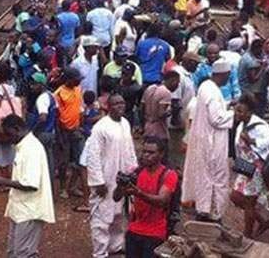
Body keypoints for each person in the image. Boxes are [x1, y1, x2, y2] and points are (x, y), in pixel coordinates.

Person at [0, 114, 55, 258]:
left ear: (17, 129)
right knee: (14, 252)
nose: (8, 139)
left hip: (30, 211)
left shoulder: (31, 149)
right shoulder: (23, 146)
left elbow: (31, 184)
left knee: (24, 254)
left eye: (8, 134)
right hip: (20, 209)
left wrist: (2, 181)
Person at [85, 94, 138, 258]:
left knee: (119, 213)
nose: (120, 106)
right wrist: (98, 182)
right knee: (101, 216)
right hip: (106, 179)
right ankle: (100, 251)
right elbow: (92, 155)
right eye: (116, 103)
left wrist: (133, 171)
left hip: (122, 179)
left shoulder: (126, 123)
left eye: (122, 102)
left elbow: (129, 149)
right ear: (108, 106)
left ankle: (115, 246)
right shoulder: (101, 127)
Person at [181, 59, 235, 222]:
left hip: (204, 139)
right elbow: (216, 118)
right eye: (227, 75)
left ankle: (204, 208)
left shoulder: (206, 87)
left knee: (205, 175)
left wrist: (227, 104)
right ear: (222, 74)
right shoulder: (211, 91)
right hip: (212, 142)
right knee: (215, 177)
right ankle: (212, 212)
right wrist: (234, 113)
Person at [114, 137, 179, 257]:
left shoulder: (168, 175)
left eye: (151, 152)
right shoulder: (137, 173)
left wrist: (138, 193)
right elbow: (116, 197)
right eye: (144, 151)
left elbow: (162, 201)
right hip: (134, 229)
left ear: (161, 154)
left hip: (156, 233)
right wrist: (120, 186)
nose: (146, 155)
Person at [230, 93, 269, 238]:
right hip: (245, 167)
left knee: (249, 203)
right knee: (236, 197)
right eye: (236, 110)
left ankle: (247, 236)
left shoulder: (259, 126)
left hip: (256, 169)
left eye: (240, 111)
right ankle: (263, 222)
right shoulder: (242, 123)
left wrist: (253, 142)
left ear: (250, 112)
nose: (237, 114)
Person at [54, 67, 85, 199]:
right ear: (69, 80)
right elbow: (56, 116)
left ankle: (72, 186)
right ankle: (62, 188)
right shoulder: (59, 94)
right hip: (64, 132)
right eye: (77, 79)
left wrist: (80, 125)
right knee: (63, 162)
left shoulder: (78, 90)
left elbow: (79, 108)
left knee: (81, 160)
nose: (79, 81)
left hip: (76, 130)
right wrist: (60, 136)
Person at [142, 70, 181, 166]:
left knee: (147, 158)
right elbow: (160, 113)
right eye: (177, 83)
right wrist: (173, 111)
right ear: (173, 81)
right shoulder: (166, 93)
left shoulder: (150, 88)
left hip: (148, 127)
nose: (177, 86)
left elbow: (141, 106)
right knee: (161, 161)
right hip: (159, 130)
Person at [28, 72, 57, 180]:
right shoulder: (51, 95)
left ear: (41, 85)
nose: (32, 87)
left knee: (38, 162)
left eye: (34, 84)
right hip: (51, 133)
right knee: (48, 162)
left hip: (42, 134)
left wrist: (33, 132)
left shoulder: (42, 99)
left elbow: (43, 117)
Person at [56, 0, 80, 66]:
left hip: (61, 43)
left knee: (62, 61)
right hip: (72, 42)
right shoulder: (75, 16)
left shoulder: (59, 17)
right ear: (70, 7)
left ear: (62, 7)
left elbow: (57, 30)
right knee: (71, 61)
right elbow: (77, 30)